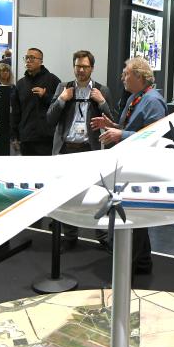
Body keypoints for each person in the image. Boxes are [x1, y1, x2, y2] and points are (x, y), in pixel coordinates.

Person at [91, 56, 167, 274]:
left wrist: (120, 134)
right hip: (132, 164)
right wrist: (112, 125)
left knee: (135, 216)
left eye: (126, 74)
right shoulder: (137, 97)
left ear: (139, 76)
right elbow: (133, 127)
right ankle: (142, 262)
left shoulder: (153, 101)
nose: (122, 77)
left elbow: (153, 137)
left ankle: (128, 269)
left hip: (142, 167)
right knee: (136, 217)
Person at [47, 50, 115, 248]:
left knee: (98, 195)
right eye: (78, 66)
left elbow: (113, 120)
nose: (81, 70)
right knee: (67, 196)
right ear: (74, 67)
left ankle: (102, 237)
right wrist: (62, 99)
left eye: (85, 66)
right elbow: (50, 118)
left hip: (90, 151)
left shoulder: (102, 90)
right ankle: (70, 236)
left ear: (92, 68)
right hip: (66, 150)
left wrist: (102, 102)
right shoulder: (63, 87)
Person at [11, 47, 60, 156]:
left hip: (46, 139)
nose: (28, 60)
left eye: (32, 58)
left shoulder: (52, 80)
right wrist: (14, 136)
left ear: (41, 61)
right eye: (27, 57)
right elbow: (16, 112)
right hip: (26, 138)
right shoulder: (20, 84)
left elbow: (61, 104)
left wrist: (45, 96)